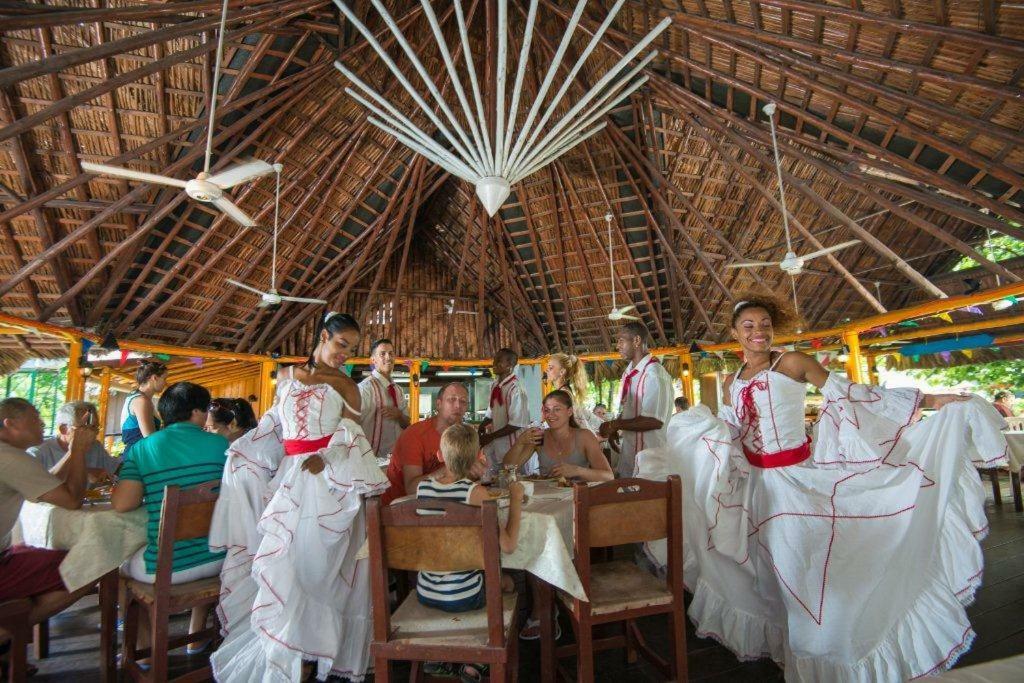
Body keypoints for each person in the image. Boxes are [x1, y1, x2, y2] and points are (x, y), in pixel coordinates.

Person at [666, 295, 1008, 681]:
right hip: (753, 489)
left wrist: (931, 399)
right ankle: (794, 649)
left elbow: (851, 394)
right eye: (748, 325)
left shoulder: (793, 362)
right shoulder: (732, 379)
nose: (758, 331)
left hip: (795, 483)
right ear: (734, 333)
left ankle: (828, 658)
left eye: (764, 324)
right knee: (766, 573)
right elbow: (735, 427)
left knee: (800, 570)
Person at [211, 311, 388, 683]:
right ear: (324, 336)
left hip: (327, 485)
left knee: (317, 572)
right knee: (284, 568)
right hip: (287, 481)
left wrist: (326, 459)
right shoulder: (287, 375)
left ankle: (314, 655)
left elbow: (354, 438)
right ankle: (287, 656)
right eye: (342, 345)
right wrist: (243, 454)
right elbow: (273, 428)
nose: (346, 355)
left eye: (352, 349)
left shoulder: (348, 387)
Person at [112, 382, 229, 655]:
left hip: (164, 568)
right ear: (198, 412)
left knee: (117, 570)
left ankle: (143, 648)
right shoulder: (221, 445)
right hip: (220, 559)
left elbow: (123, 503)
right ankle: (196, 636)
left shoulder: (143, 449)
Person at [416, 423, 524, 681]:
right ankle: (477, 659)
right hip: (464, 594)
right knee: (511, 582)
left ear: (440, 456)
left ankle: (439, 656)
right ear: (479, 458)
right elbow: (508, 546)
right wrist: (516, 499)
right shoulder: (477, 494)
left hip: (425, 591)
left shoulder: (423, 489)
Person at [0, 398, 97, 628]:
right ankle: (7, 632)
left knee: (49, 555)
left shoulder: (10, 455)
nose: (42, 423)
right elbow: (72, 500)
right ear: (10, 424)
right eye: (35, 419)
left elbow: (48, 483)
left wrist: (72, 449)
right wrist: (79, 450)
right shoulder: (11, 458)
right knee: (93, 562)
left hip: (6, 554)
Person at [599, 322, 673, 477]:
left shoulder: (654, 373)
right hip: (629, 456)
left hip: (650, 461)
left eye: (621, 340)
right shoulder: (629, 374)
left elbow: (654, 420)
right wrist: (615, 428)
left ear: (637, 341)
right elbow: (631, 411)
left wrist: (615, 424)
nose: (617, 345)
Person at [382, 381, 472, 504]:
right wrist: (452, 469)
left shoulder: (465, 435)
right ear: (439, 404)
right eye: (451, 399)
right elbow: (412, 488)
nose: (458, 405)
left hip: (443, 505)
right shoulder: (414, 434)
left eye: (463, 401)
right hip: (400, 511)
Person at [503, 391, 613, 483]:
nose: (550, 415)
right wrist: (520, 442)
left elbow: (608, 476)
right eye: (547, 410)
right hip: (546, 501)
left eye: (557, 409)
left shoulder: (584, 436)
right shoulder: (539, 437)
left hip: (578, 499)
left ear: (569, 411)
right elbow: (508, 468)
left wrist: (577, 470)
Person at [28, 401, 119, 484]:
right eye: (85, 428)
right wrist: (76, 454)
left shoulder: (95, 447)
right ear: (63, 429)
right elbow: (41, 486)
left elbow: (118, 469)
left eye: (95, 428)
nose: (93, 433)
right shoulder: (38, 452)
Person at [358, 338, 409, 462]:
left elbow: (407, 423)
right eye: (382, 354)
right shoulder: (365, 388)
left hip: (395, 459)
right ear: (373, 359)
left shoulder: (398, 390)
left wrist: (399, 415)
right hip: (370, 460)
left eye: (391, 353)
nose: (388, 357)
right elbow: (352, 425)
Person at [479, 348, 531, 470]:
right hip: (497, 447)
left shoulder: (516, 388)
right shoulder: (495, 385)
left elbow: (516, 423)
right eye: (494, 360)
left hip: (514, 448)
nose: (494, 364)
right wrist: (482, 425)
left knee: (514, 482)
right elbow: (491, 411)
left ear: (510, 366)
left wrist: (490, 436)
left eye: (498, 361)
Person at [544, 353, 602, 435]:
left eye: (550, 367)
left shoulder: (562, 395)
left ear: (562, 372)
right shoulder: (565, 392)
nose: (547, 370)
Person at [120, 360, 167, 450]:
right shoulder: (141, 401)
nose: (165, 383)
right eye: (164, 378)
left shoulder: (137, 397)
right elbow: (150, 438)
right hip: (139, 456)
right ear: (154, 378)